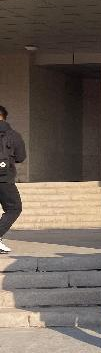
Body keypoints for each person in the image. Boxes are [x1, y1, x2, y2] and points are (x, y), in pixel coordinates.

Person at [0, 105, 26, 253]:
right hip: (5, 179)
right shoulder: (14, 135)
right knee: (14, 208)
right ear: (4, 116)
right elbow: (21, 157)